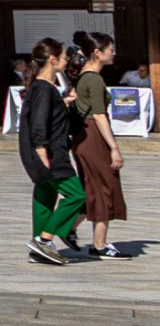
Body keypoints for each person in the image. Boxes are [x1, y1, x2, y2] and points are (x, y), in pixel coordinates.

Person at [20, 35, 84, 265]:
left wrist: (65, 102)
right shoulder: (44, 88)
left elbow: (46, 115)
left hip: (44, 150)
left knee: (45, 197)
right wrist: (41, 150)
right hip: (50, 152)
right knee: (77, 195)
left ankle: (39, 248)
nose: (67, 61)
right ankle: (45, 240)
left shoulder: (42, 88)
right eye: (65, 57)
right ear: (53, 59)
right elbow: (38, 122)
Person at [71, 30, 128, 258]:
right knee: (104, 188)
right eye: (110, 49)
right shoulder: (94, 78)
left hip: (85, 137)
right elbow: (99, 115)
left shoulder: (84, 76)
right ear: (97, 52)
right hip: (94, 136)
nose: (113, 53)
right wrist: (114, 148)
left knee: (93, 190)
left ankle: (69, 230)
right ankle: (98, 244)